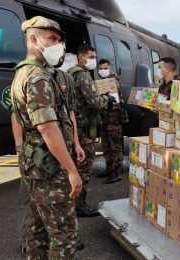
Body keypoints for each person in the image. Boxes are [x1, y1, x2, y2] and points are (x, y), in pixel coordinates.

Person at [10, 16, 82, 259]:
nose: (58, 45)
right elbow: (48, 128)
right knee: (63, 232)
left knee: (37, 228)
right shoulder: (38, 77)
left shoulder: (23, 73)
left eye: (60, 41)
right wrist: (71, 170)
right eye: (52, 39)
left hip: (36, 165)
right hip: (50, 168)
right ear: (33, 39)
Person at [68, 45, 116, 217]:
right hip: (84, 130)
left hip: (76, 128)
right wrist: (107, 99)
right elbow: (95, 102)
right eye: (91, 57)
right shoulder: (83, 76)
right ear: (81, 58)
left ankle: (72, 202)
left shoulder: (70, 74)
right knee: (84, 168)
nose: (93, 60)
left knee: (75, 166)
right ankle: (79, 205)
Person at [95, 59, 129, 184]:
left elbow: (114, 101)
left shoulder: (112, 81)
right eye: (100, 68)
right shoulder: (102, 82)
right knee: (105, 145)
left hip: (113, 119)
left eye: (105, 68)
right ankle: (109, 169)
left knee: (115, 146)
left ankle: (117, 171)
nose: (102, 70)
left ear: (109, 68)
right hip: (105, 119)